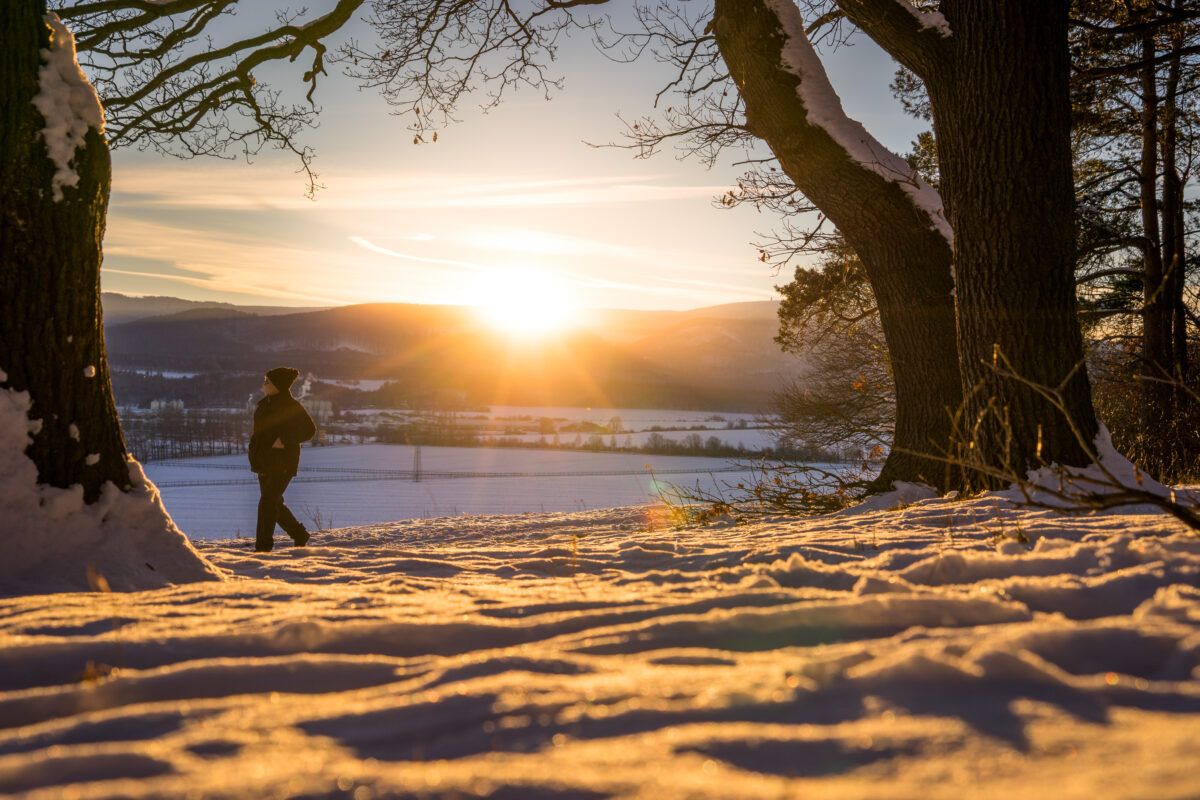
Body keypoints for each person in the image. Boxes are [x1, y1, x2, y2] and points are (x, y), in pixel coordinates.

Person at [249, 367, 316, 552]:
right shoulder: (264, 405)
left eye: (267, 382)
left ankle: (263, 547)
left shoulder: (292, 406)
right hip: (264, 461)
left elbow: (309, 430)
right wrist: (254, 450)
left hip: (283, 463)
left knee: (267, 502)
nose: (263, 385)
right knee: (274, 502)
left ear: (277, 385)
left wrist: (283, 440)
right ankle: (299, 534)